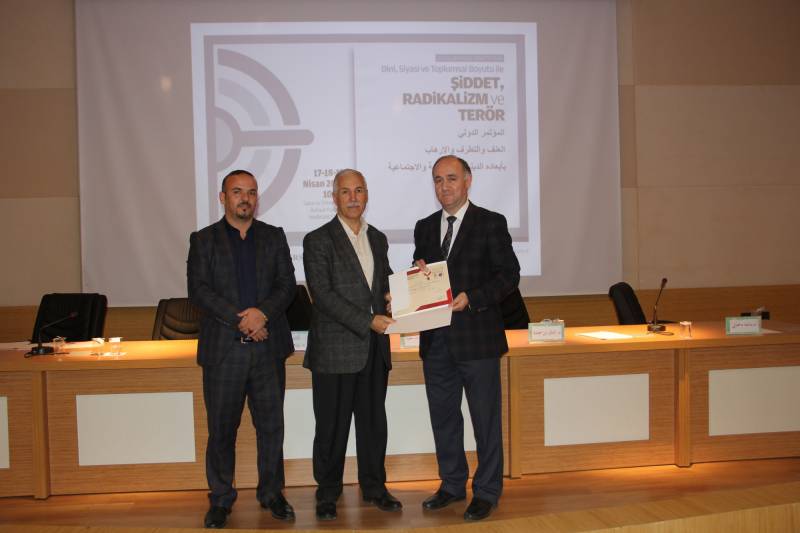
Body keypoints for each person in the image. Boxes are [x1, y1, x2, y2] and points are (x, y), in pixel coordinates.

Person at [187, 169, 297, 529]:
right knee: (222, 430)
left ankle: (272, 493)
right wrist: (243, 320)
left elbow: (286, 285)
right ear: (223, 198)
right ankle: (221, 499)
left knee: (271, 428)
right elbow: (199, 291)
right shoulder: (203, 240)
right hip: (224, 353)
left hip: (267, 350)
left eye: (250, 192)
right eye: (237, 192)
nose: (245, 198)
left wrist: (262, 313)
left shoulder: (273, 236)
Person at [413, 155, 520, 521]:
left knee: (485, 421)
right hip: (436, 342)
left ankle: (487, 491)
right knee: (444, 419)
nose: (444, 186)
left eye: (451, 178)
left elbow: (508, 276)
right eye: (438, 179)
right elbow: (422, 274)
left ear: (468, 181)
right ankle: (452, 484)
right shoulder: (425, 227)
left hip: (477, 340)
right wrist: (416, 275)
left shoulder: (491, 222)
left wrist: (472, 298)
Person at [302, 169, 401, 521]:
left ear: (366, 195)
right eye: (345, 191)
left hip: (374, 350)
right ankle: (328, 492)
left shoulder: (378, 238)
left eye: (359, 190)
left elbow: (383, 284)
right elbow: (323, 295)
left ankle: (374, 487)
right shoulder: (317, 240)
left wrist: (400, 294)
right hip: (335, 351)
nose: (353, 197)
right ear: (334, 198)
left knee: (374, 424)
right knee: (331, 428)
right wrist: (368, 320)